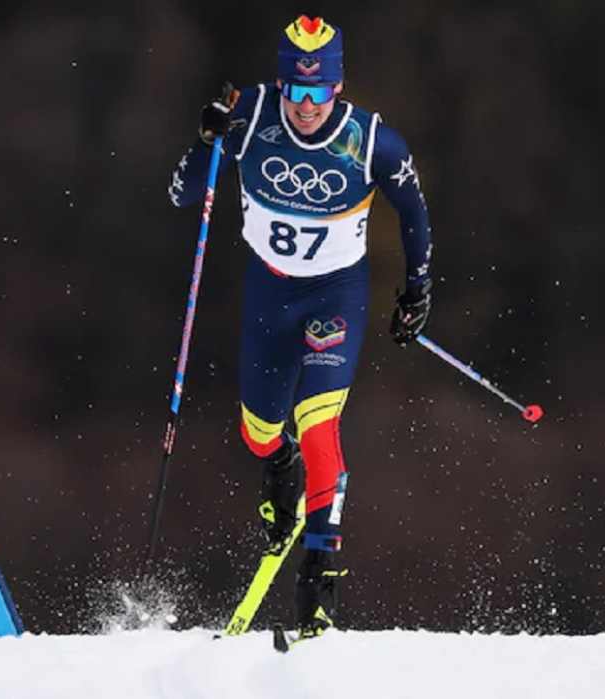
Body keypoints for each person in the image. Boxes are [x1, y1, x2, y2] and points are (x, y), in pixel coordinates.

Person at [167, 15, 432, 639]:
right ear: (281, 84)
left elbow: (415, 213)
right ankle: (278, 464)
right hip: (269, 297)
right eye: (295, 91)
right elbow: (182, 193)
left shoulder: (373, 143)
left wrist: (418, 289)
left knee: (318, 424)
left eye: (318, 92)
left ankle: (318, 578)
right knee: (259, 433)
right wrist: (207, 142)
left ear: (337, 87)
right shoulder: (249, 116)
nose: (306, 107)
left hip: (335, 297)